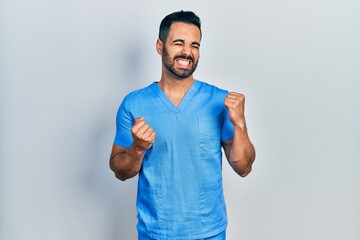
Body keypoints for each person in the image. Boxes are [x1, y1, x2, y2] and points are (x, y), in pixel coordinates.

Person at [109, 10, 256, 240]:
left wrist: (240, 125)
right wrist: (137, 148)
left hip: (208, 232)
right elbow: (119, 171)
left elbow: (244, 167)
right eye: (179, 43)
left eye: (194, 45)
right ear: (160, 46)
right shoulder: (134, 103)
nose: (187, 51)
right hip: (156, 232)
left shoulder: (219, 101)